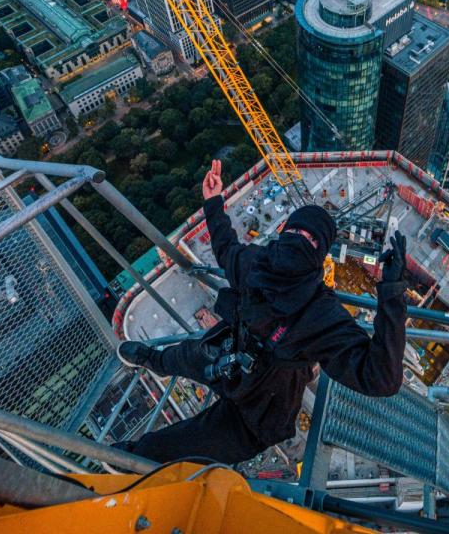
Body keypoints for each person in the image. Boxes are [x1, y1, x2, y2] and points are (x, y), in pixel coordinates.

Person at [117, 159, 408, 465]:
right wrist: (213, 202)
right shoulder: (258, 264)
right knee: (182, 355)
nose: (299, 240)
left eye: (309, 239)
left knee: (181, 444)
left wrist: (392, 294)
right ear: (284, 232)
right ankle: (152, 359)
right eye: (295, 231)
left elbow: (382, 379)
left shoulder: (319, 313)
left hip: (264, 405)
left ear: (320, 253)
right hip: (229, 356)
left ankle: (130, 458)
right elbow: (225, 246)